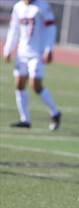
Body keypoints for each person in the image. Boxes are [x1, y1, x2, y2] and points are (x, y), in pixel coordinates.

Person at [3, 0, 61, 130]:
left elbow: (51, 28)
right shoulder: (18, 7)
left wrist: (48, 49)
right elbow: (14, 29)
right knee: (19, 84)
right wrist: (8, 49)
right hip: (22, 52)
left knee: (35, 85)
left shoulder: (42, 6)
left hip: (37, 53)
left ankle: (55, 113)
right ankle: (25, 119)